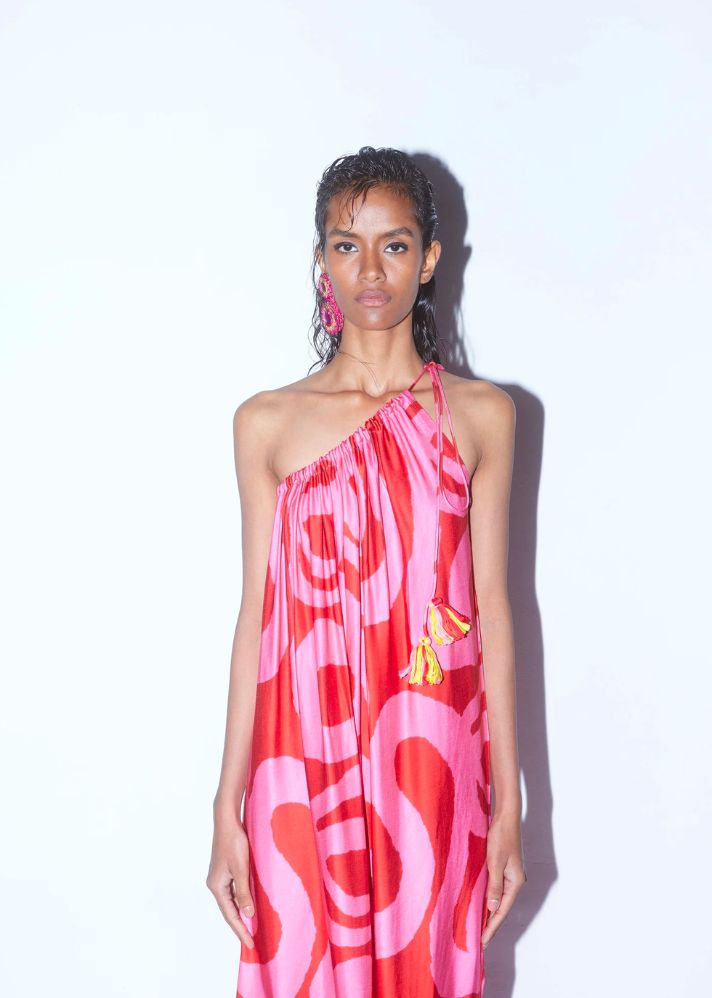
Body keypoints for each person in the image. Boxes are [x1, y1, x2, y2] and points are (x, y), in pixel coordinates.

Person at [207, 145, 526, 996]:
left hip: (431, 756)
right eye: (347, 245)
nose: (371, 270)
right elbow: (256, 618)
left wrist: (509, 804)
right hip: (300, 756)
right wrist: (226, 805)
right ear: (322, 260)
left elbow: (494, 612)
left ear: (429, 258)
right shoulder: (266, 423)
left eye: (395, 244)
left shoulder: (482, 416)